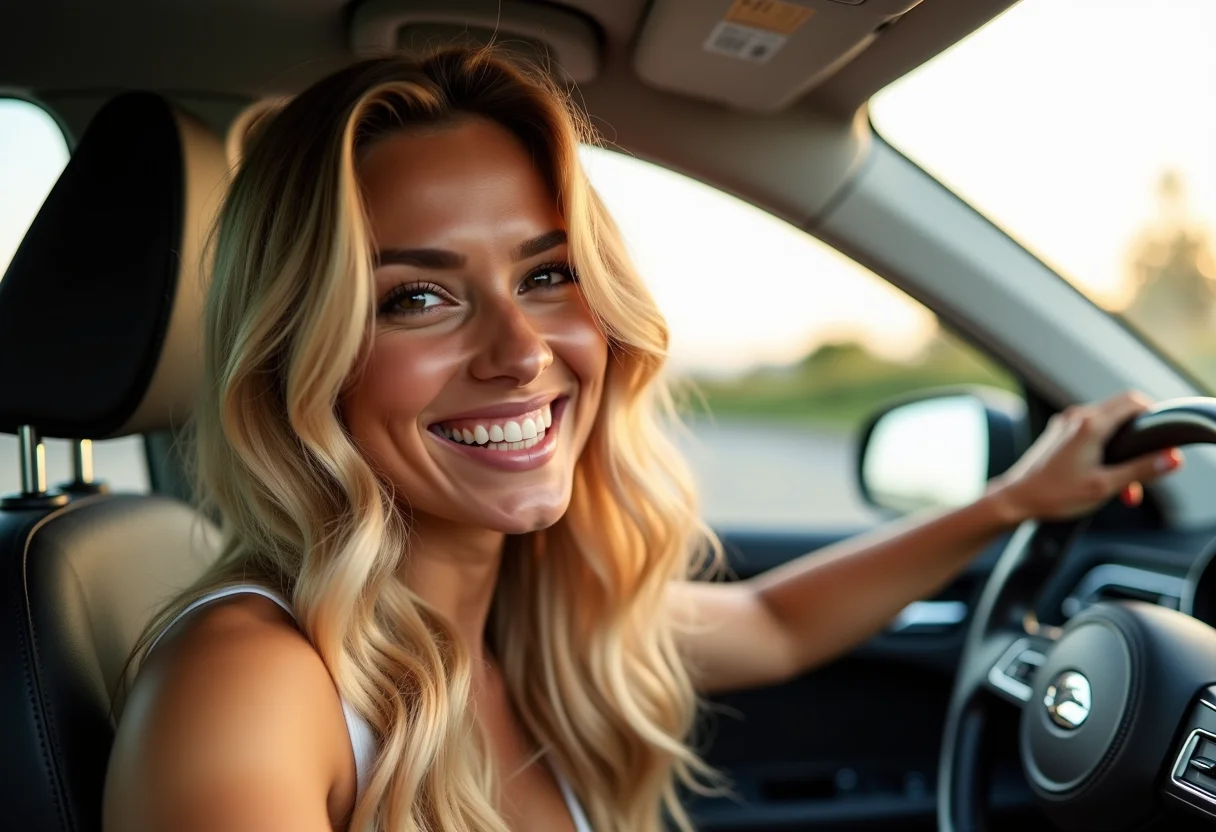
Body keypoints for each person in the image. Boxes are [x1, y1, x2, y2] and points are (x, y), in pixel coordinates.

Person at [101, 46, 1183, 832]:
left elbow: (772, 619)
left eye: (545, 274)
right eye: (418, 297)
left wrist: (1014, 500)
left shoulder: (526, 613)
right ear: (301, 351)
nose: (521, 350)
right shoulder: (248, 684)